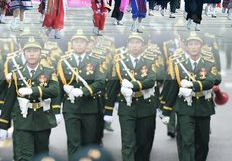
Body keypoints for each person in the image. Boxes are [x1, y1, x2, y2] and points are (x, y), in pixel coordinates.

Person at [0, 33, 61, 161]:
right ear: (24, 53)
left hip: (43, 120)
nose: (32, 54)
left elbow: (55, 90)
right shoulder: (17, 74)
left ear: (40, 53)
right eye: (28, 51)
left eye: (35, 51)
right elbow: (9, 101)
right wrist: (3, 125)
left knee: (41, 156)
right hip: (23, 120)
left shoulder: (49, 71)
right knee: (25, 157)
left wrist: (33, 90)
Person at [161, 31, 221, 161]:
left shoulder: (209, 61)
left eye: (196, 44)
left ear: (202, 46)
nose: (193, 47)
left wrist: (193, 85)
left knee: (203, 143)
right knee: (186, 142)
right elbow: (173, 88)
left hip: (204, 108)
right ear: (186, 46)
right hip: (184, 108)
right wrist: (166, 111)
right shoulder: (179, 64)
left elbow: (212, 81)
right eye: (191, 44)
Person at [104, 32, 158, 161]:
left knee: (143, 143)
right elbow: (112, 87)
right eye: (132, 42)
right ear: (127, 44)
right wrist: (108, 110)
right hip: (126, 108)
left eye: (137, 43)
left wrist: (133, 85)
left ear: (143, 45)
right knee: (127, 143)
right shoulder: (119, 62)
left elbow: (151, 81)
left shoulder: (150, 61)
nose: (134, 45)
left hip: (145, 107)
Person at [57, 29, 107, 158]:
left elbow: (100, 83)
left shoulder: (96, 61)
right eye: (76, 42)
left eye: (82, 42)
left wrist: (83, 91)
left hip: (90, 108)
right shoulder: (64, 62)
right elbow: (58, 86)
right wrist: (56, 109)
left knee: (88, 143)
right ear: (72, 44)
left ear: (86, 44)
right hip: (71, 108)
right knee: (73, 142)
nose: (79, 44)